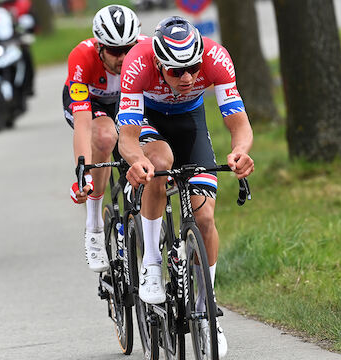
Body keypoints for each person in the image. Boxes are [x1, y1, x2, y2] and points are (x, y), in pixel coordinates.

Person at [116, 16, 255, 357]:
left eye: (193, 68)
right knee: (158, 164)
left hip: (191, 122)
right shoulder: (137, 61)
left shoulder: (217, 57)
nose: (188, 78)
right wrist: (137, 160)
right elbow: (127, 138)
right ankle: (150, 262)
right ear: (159, 62)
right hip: (150, 120)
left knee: (205, 218)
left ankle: (208, 309)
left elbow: (239, 122)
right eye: (176, 71)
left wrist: (240, 152)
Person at [65, 5, 142, 272]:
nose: (123, 58)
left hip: (124, 103)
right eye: (114, 51)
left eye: (128, 49)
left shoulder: (144, 52)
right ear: (99, 46)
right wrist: (83, 174)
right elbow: (84, 124)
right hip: (91, 103)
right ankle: (94, 225)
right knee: (105, 136)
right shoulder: (82, 56)